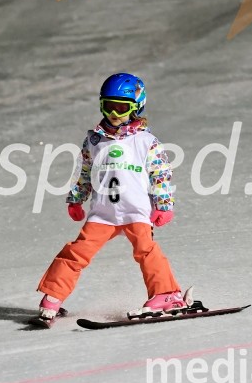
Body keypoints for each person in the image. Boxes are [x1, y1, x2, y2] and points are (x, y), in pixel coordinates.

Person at [35, 73, 189, 324]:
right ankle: (52, 297)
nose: (115, 114)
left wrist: (163, 205)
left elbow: (161, 174)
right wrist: (76, 199)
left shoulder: (146, 141)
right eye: (109, 107)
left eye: (122, 108)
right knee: (76, 253)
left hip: (135, 211)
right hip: (103, 213)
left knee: (147, 251)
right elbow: (84, 172)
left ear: (137, 107)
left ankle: (166, 294)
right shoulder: (94, 141)